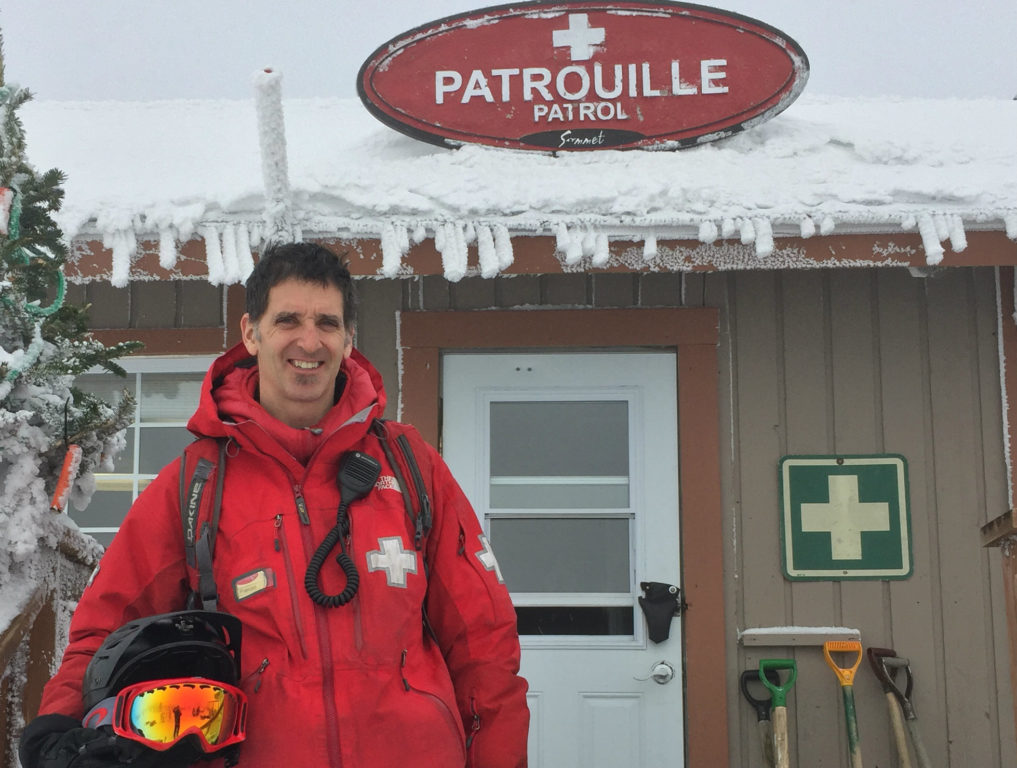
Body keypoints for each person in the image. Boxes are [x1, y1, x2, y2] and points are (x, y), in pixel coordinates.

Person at [20, 242, 529, 768]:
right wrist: (59, 726)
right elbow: (104, 631)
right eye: (288, 319)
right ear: (251, 332)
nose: (309, 341)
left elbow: (484, 647)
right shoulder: (196, 485)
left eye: (327, 323)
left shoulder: (410, 466)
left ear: (350, 339)